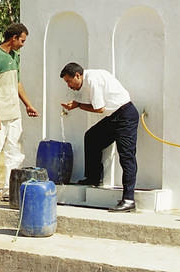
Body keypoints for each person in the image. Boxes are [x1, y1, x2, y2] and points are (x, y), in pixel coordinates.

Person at [59, 62, 139, 213]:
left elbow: (99, 108)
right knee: (92, 137)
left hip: (125, 116)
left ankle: (128, 199)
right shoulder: (89, 78)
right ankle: (93, 178)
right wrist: (78, 104)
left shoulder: (92, 81)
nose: (69, 85)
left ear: (78, 75)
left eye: (69, 81)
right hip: (114, 115)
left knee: (126, 156)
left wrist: (77, 105)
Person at [0, 23, 39, 203]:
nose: (23, 44)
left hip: (14, 113)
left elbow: (17, 83)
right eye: (22, 40)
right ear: (13, 38)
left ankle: (8, 189)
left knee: (14, 152)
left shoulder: (15, 57)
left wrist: (28, 104)